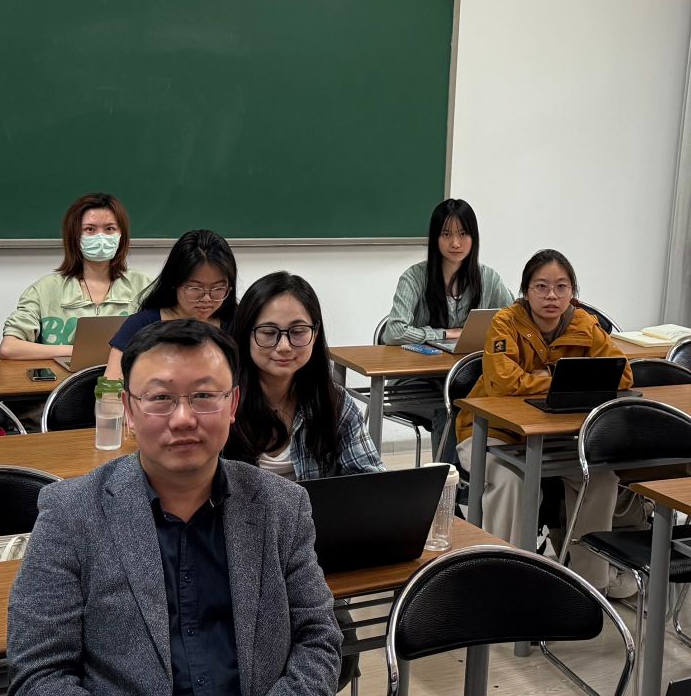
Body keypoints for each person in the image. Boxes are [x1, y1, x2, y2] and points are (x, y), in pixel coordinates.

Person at [8, 317, 342, 696]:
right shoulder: (71, 514)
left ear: (233, 404)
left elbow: (319, 644)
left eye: (204, 396)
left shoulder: (280, 507)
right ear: (129, 409)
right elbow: (39, 676)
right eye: (160, 398)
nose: (184, 418)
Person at [461, 249, 635, 599]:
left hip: (555, 438)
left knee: (600, 478)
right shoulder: (506, 322)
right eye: (541, 286)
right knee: (514, 481)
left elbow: (623, 375)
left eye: (561, 287)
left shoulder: (584, 324)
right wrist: (560, 380)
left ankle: (590, 582)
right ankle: (505, 581)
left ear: (572, 291)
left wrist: (542, 377)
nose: (551, 296)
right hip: (491, 434)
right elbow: (502, 383)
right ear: (526, 291)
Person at [226, 273, 381, 479]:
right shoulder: (222, 403)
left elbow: (372, 480)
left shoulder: (335, 403)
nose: (284, 346)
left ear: (315, 334)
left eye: (298, 331)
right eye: (268, 332)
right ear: (246, 333)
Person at [0, 192, 152, 361]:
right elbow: (9, 348)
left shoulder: (144, 285)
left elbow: (166, 342)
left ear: (121, 234)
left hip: (125, 377)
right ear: (75, 236)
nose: (100, 237)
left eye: (109, 229)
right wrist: (79, 351)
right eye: (90, 229)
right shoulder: (45, 289)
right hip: (63, 378)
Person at [103, 228, 237, 381]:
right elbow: (111, 385)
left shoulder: (237, 323)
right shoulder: (141, 325)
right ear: (174, 283)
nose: (207, 298)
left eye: (218, 288)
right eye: (195, 288)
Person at [379, 198, 513, 345]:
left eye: (463, 234)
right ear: (435, 238)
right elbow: (394, 333)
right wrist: (445, 334)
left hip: (472, 359)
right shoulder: (414, 278)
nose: (455, 243)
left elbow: (516, 319)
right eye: (446, 234)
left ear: (474, 237)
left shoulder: (489, 278)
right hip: (422, 359)